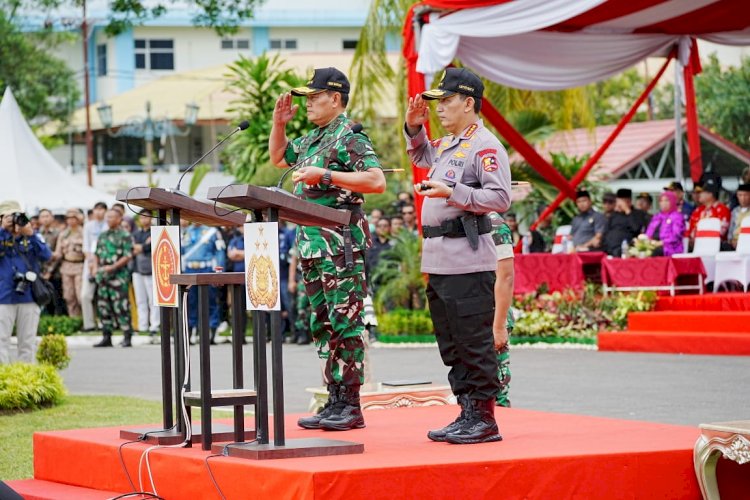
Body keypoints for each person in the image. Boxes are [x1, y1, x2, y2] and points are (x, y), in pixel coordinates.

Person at [269, 66, 386, 431]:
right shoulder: (314, 138)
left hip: (341, 246)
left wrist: (327, 176)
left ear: (335, 99)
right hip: (313, 246)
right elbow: (279, 158)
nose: (307, 105)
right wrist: (279, 124)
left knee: (344, 324)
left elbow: (376, 180)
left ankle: (350, 404)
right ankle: (333, 399)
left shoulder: (349, 136)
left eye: (314, 98)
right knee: (323, 325)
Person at [406, 67, 510, 444]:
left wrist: (452, 192)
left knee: (473, 341)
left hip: (467, 260)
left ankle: (484, 417)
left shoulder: (484, 145)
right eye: (438, 103)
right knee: (451, 343)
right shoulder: (451, 143)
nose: (441, 109)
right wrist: (414, 127)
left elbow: (500, 198)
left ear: (469, 103)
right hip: (440, 260)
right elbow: (421, 156)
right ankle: (467, 409)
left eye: (447, 101)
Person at [0, 200, 52, 363]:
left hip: (29, 295)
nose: (14, 221)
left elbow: (46, 256)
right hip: (4, 296)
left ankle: (25, 379)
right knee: (1, 342)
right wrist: (4, 231)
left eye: (16, 216)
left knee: (27, 342)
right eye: (8, 217)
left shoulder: (31, 236)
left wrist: (30, 234)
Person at [92, 209, 134, 348]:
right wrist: (95, 268)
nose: (108, 219)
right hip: (103, 276)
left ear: (119, 219)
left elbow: (127, 256)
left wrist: (114, 267)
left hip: (118, 276)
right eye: (107, 217)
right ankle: (106, 336)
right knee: (103, 306)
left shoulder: (125, 235)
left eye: (111, 217)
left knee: (121, 306)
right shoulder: (102, 235)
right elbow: (96, 254)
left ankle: (127, 335)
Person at [182, 222, 226, 345]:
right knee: (190, 302)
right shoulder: (185, 231)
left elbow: (220, 251)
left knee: (210, 301)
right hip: (189, 269)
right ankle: (190, 331)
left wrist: (219, 272)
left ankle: (211, 332)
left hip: (206, 269)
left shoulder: (212, 231)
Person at [489, 213, 514, 408]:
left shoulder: (495, 224)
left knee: (497, 386)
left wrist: (499, 325)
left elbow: (505, 277)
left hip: (494, 312)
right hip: (473, 310)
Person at [132, 209, 160, 341]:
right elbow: (132, 248)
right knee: (140, 300)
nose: (144, 220)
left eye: (146, 217)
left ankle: (154, 325)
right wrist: (143, 246)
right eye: (141, 217)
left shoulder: (155, 232)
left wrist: (142, 247)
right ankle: (142, 325)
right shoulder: (136, 233)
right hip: (137, 269)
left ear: (151, 218)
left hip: (151, 269)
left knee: (153, 300)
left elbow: (150, 247)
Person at [53, 208, 86, 317]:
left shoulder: (84, 233)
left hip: (80, 265)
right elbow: (58, 252)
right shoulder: (63, 234)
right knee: (69, 295)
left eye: (74, 218)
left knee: (80, 295)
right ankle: (74, 318)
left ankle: (85, 320)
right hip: (66, 266)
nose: (71, 221)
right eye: (69, 218)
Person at [82, 202, 108, 331]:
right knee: (85, 295)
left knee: (104, 295)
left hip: (105, 263)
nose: (99, 212)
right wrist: (92, 263)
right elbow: (86, 246)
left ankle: (105, 323)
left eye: (101, 209)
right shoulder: (88, 226)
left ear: (105, 211)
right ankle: (89, 324)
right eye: (96, 209)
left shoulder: (108, 225)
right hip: (90, 262)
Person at [602, 188, 649, 256]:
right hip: (609, 249)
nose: (619, 205)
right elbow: (606, 232)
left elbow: (636, 229)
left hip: (625, 248)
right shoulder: (614, 215)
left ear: (629, 202)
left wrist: (627, 210)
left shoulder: (638, 214)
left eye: (622, 203)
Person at [687, 176, 731, 245]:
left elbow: (721, 232)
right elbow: (690, 232)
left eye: (701, 192)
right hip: (695, 246)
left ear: (711, 194)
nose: (699, 194)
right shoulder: (698, 210)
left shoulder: (723, 209)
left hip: (716, 247)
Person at [644, 191, 685, 256]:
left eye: (666, 200)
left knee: (654, 252)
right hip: (653, 244)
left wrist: (661, 243)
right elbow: (648, 233)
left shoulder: (677, 217)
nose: (663, 203)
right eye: (661, 201)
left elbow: (676, 236)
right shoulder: (657, 217)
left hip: (670, 247)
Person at [728, 184, 750, 248]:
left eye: (746, 195)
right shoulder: (735, 211)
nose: (743, 198)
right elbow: (731, 228)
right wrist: (731, 240)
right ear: (737, 196)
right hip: (734, 243)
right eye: (740, 195)